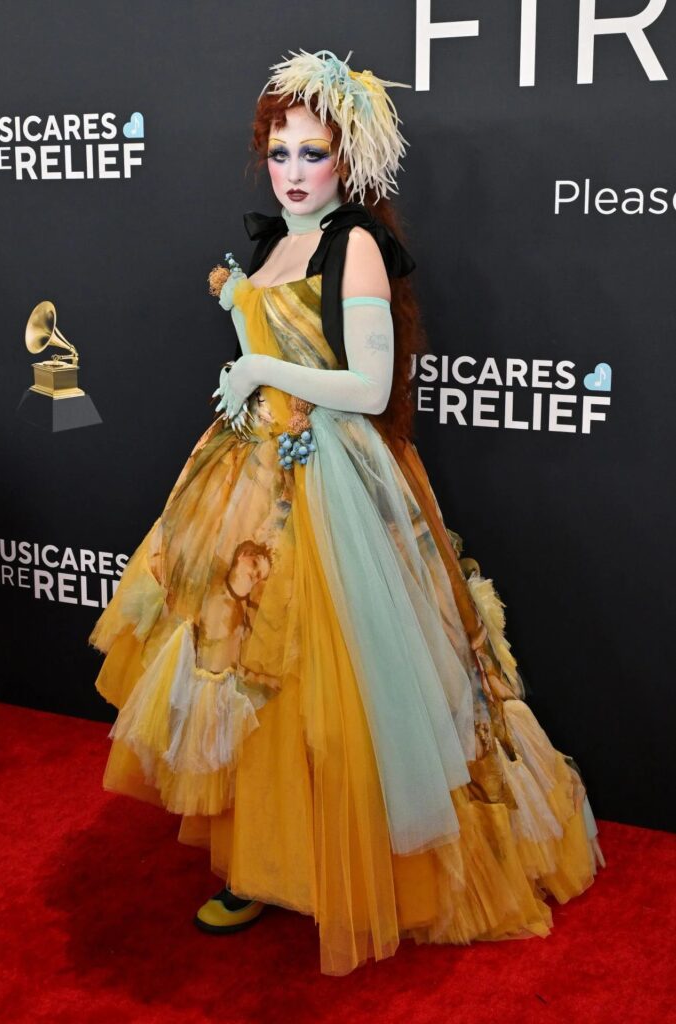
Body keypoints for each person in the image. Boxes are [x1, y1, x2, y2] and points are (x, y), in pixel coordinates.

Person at [89, 48, 606, 977]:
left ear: (347, 159)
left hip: (334, 482)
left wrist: (258, 367)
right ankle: (262, 860)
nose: (293, 172)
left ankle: (353, 867)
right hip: (249, 477)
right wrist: (249, 367)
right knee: (250, 676)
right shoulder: (273, 243)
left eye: (313, 153)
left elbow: (367, 388)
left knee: (341, 686)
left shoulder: (353, 244)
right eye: (279, 153)